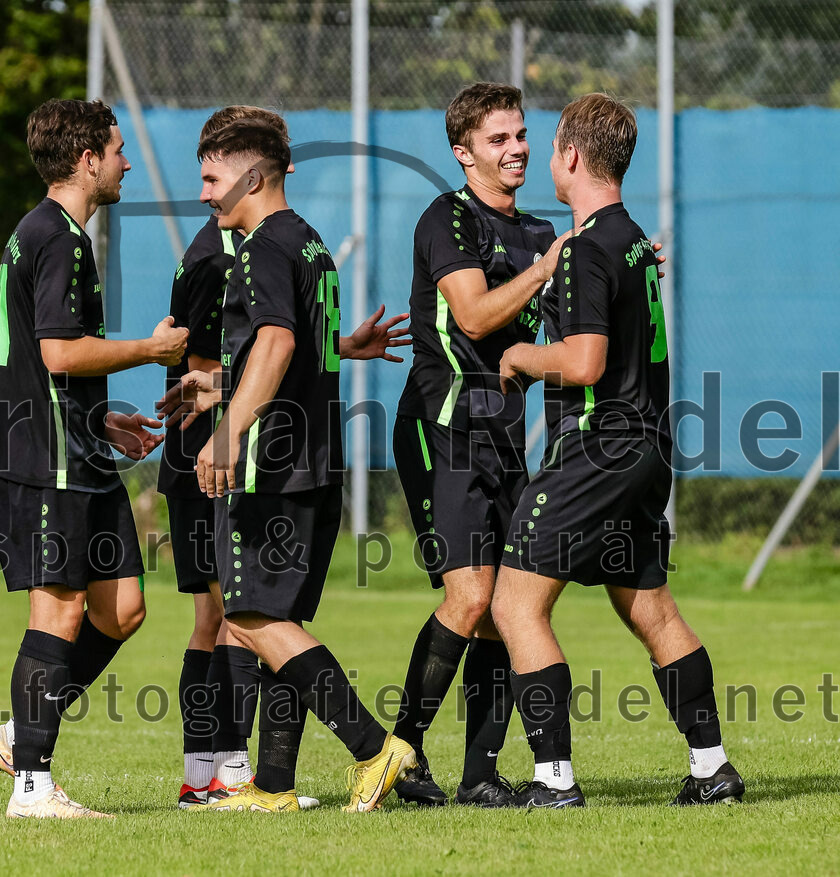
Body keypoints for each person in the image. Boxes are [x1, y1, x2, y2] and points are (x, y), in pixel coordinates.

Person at [493, 92, 744, 808]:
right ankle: (711, 767)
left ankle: (553, 780)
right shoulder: (632, 239)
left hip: (596, 449)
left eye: (548, 148)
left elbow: (584, 361)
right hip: (646, 449)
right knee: (649, 608)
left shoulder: (588, 248)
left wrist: (521, 354)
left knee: (516, 605)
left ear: (570, 156)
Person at [162, 115, 415, 813]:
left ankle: (374, 746)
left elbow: (273, 340)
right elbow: (290, 348)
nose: (205, 193)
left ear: (252, 176)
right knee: (277, 622)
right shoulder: (307, 243)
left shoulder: (261, 248)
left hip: (273, 464)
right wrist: (216, 386)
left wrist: (227, 432)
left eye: (212, 177)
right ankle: (273, 785)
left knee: (246, 616)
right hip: (314, 461)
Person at [0, 98, 189, 819]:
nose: (126, 161)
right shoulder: (57, 237)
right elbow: (59, 351)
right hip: (46, 460)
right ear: (86, 158)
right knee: (61, 607)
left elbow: (53, 365)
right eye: (118, 149)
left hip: (77, 447)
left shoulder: (53, 233)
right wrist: (150, 349)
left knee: (122, 608)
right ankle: (32, 785)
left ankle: (21, 732)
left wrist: (102, 416)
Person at [390, 82, 572, 808]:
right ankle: (401, 753)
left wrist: (617, 266)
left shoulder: (535, 234)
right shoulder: (448, 219)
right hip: (442, 428)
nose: (518, 147)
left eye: (522, 134)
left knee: (505, 606)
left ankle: (480, 773)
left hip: (500, 435)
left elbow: (573, 326)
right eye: (499, 139)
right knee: (469, 598)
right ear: (464, 152)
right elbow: (469, 314)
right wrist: (544, 269)